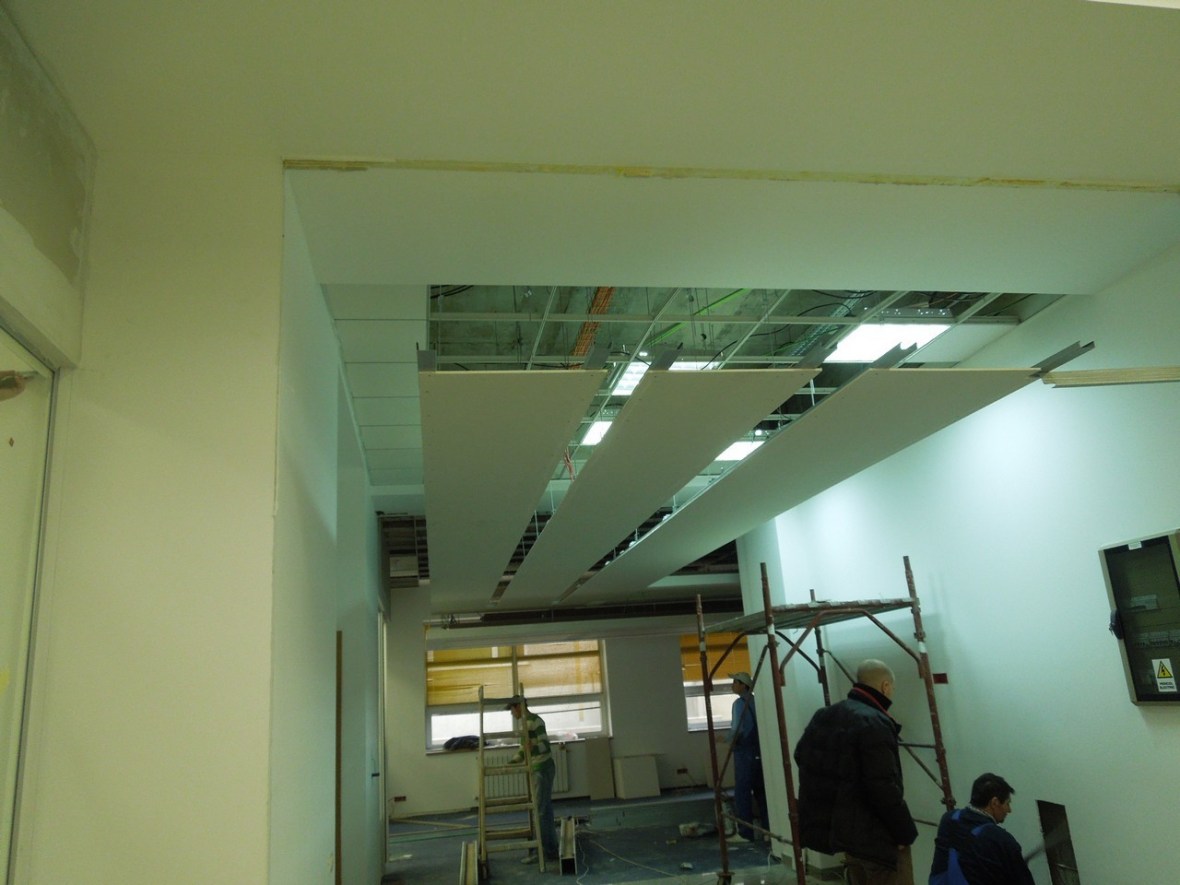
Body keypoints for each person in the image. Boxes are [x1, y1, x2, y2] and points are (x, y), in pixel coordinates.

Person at [794, 659, 918, 885]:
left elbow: (801, 755)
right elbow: (883, 786)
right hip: (876, 838)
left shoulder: (824, 715)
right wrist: (904, 832)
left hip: (845, 835)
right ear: (885, 686)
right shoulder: (875, 722)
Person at [929, 773, 1035, 885]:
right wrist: (1016, 865)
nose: (1009, 810)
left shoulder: (949, 819)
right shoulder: (1002, 840)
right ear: (994, 803)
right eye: (1007, 803)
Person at [507, 696, 557, 863]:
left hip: (542, 768)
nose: (512, 713)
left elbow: (545, 745)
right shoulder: (524, 725)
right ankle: (550, 849)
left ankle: (540, 851)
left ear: (518, 707)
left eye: (512, 710)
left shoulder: (536, 721)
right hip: (538, 769)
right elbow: (523, 750)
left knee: (540, 811)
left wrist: (533, 746)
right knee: (545, 810)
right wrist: (513, 761)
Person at [724, 671, 767, 844]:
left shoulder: (739, 704)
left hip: (745, 752)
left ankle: (745, 833)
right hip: (759, 752)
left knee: (742, 793)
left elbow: (739, 730)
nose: (733, 685)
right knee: (762, 792)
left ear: (744, 685)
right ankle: (768, 830)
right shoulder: (757, 702)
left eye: (736, 682)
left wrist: (727, 740)